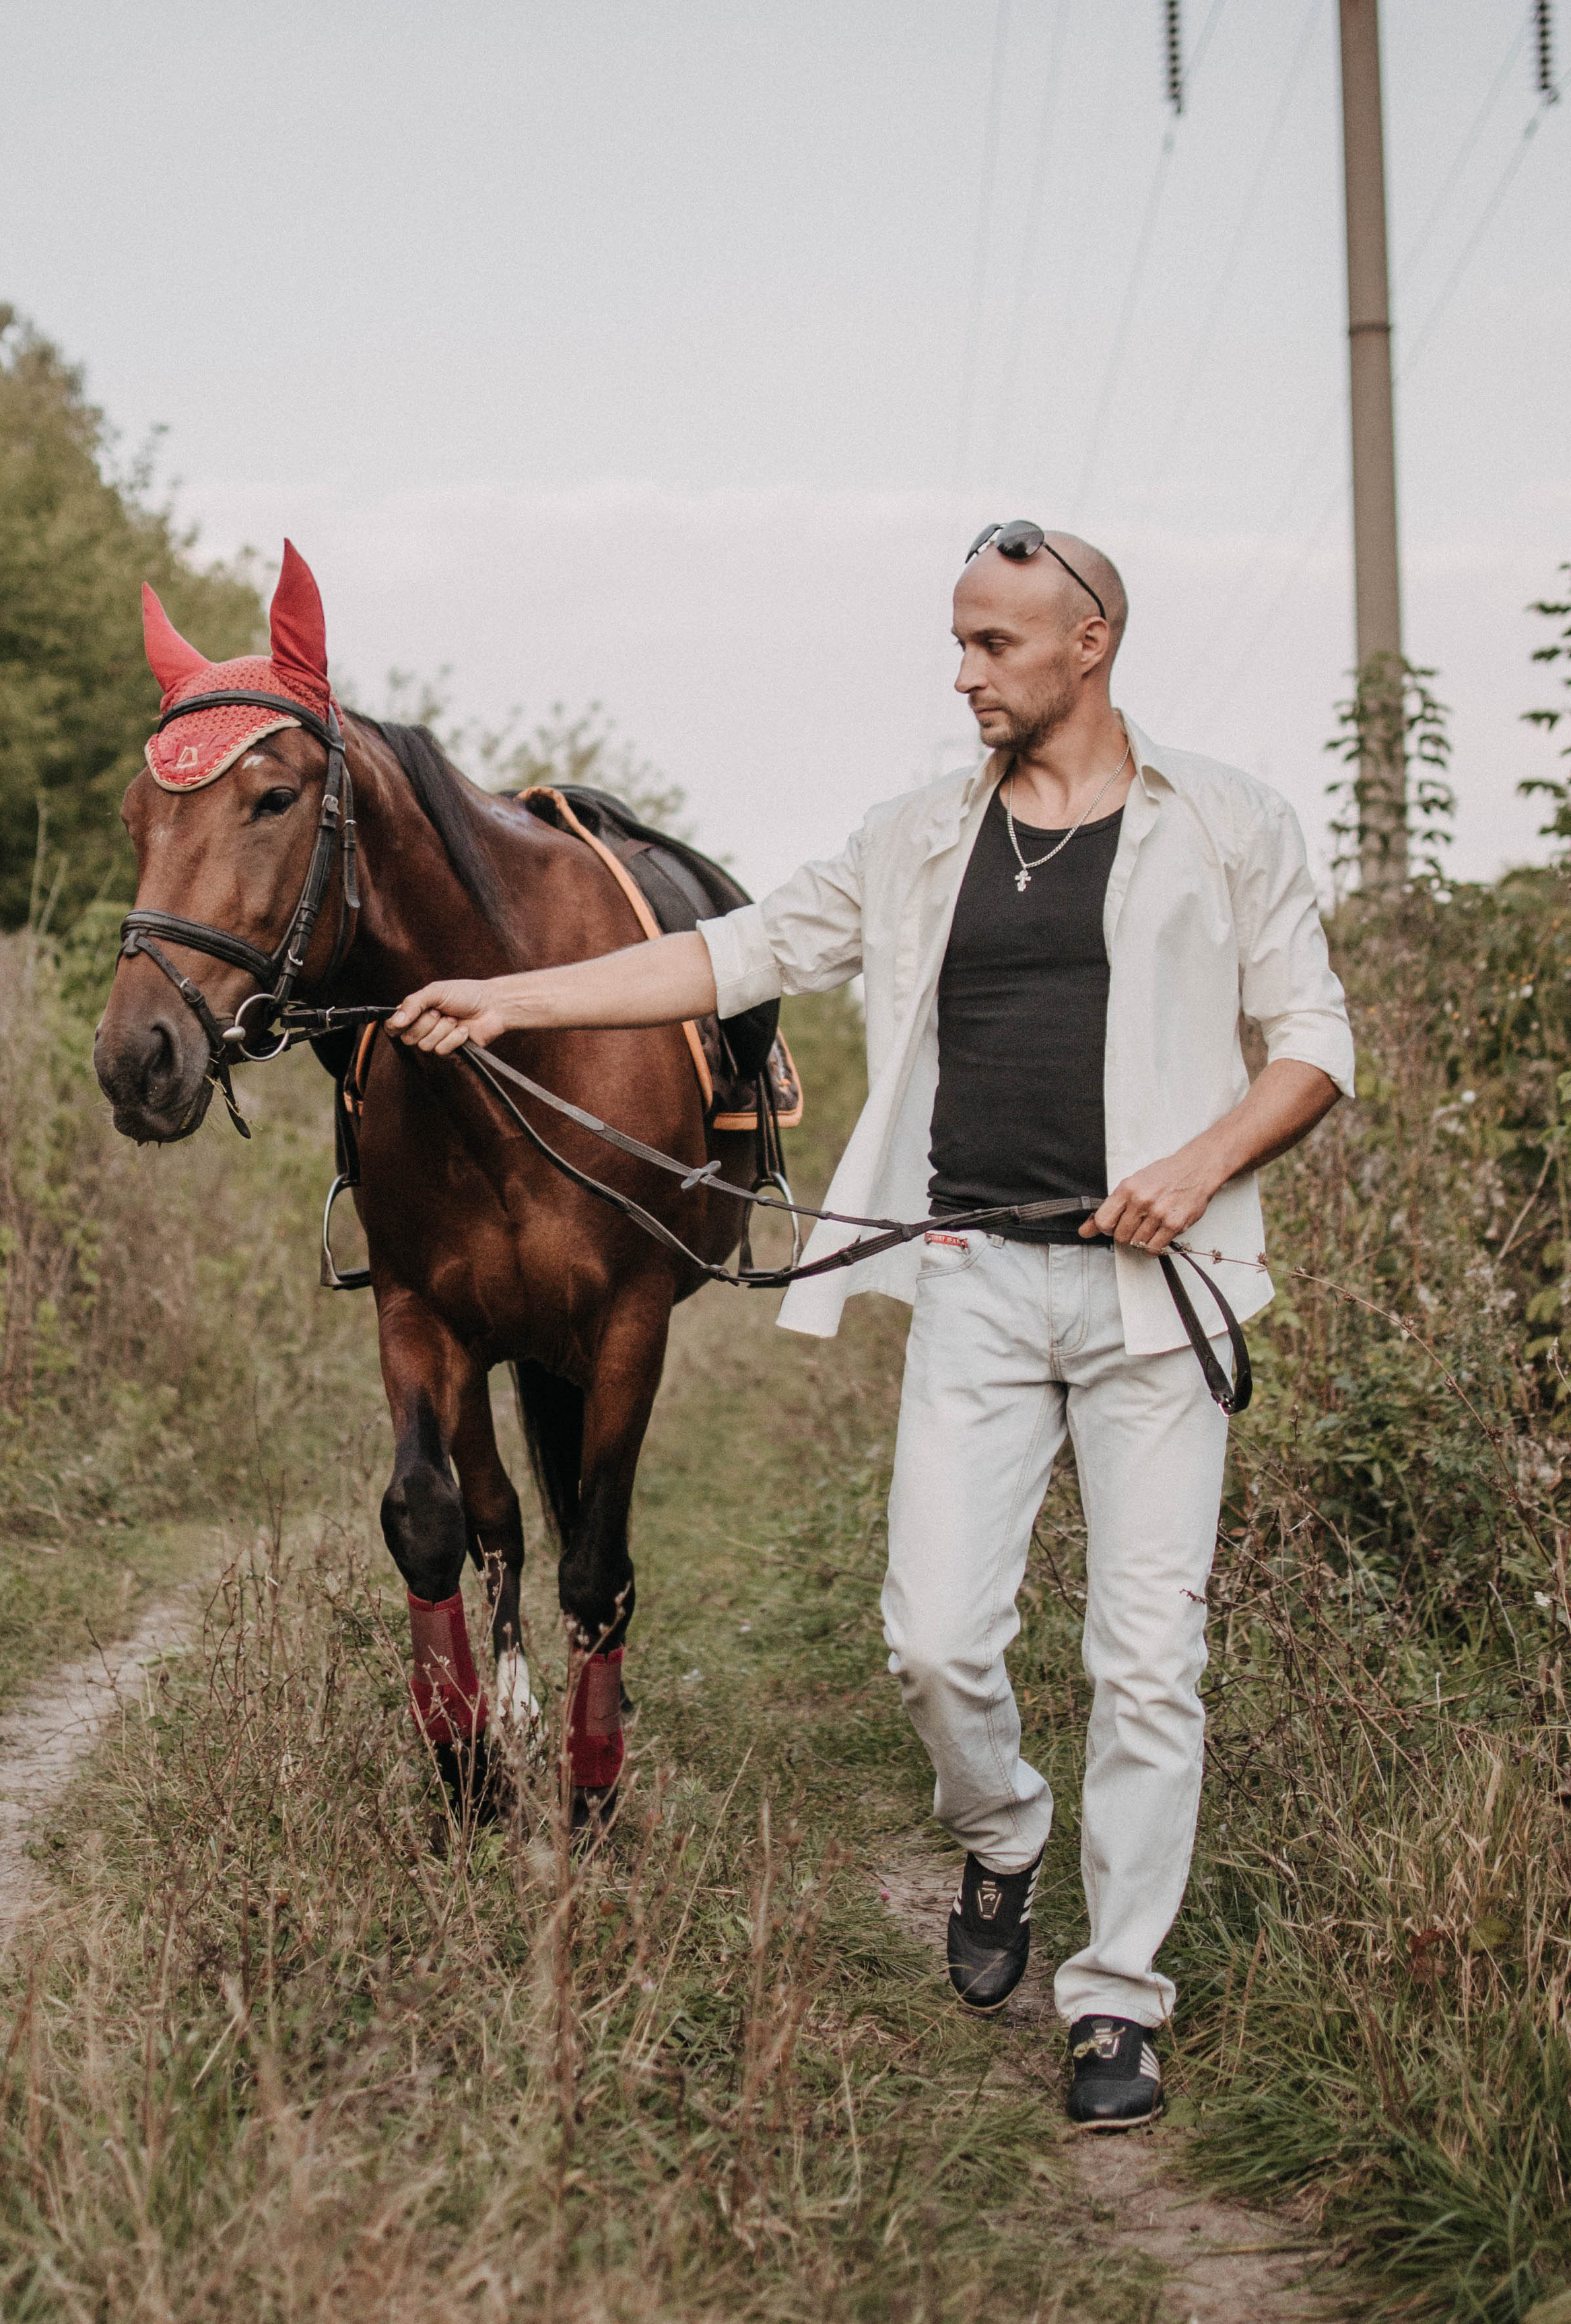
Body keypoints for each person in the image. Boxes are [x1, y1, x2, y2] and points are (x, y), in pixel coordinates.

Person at [387, 520, 1353, 2127]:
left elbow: (1311, 1040)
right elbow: (734, 951)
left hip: (1152, 1298)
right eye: (958, 641)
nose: (963, 670)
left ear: (1089, 640)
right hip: (973, 1281)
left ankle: (1115, 2001)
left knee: (1146, 1663)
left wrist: (1193, 1168)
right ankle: (1003, 1836)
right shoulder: (918, 836)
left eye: (994, 644)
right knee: (933, 1640)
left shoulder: (1229, 824)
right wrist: (510, 1001)